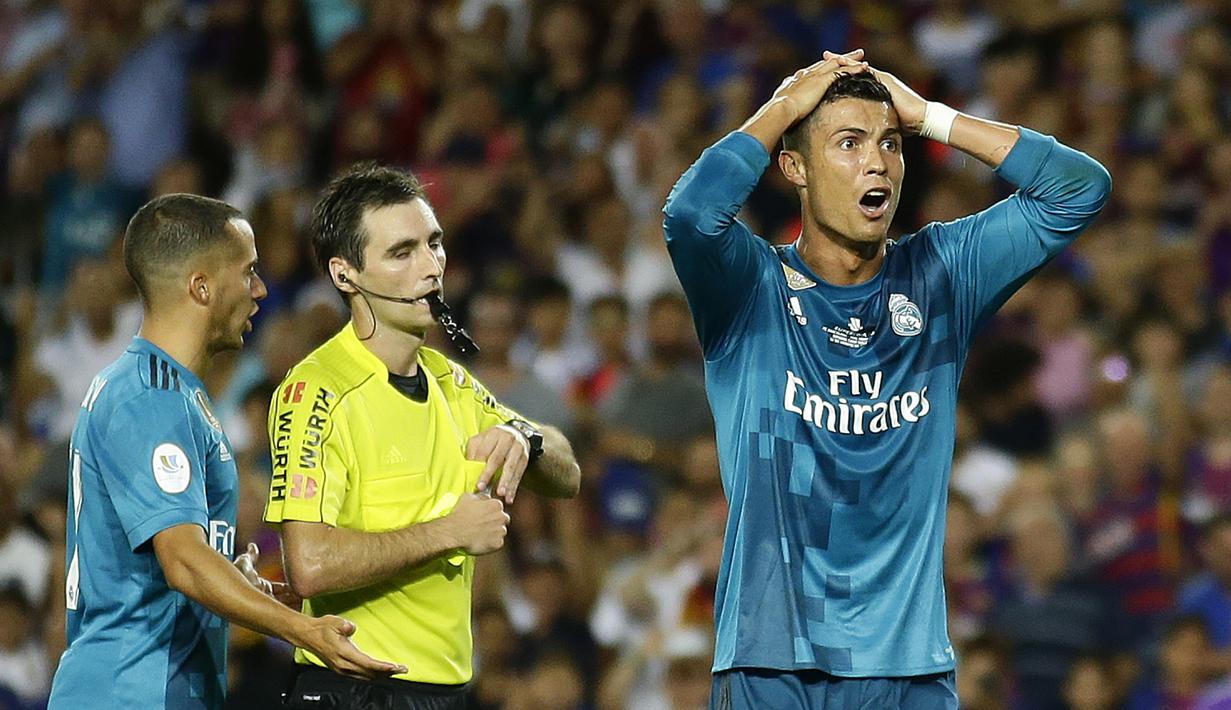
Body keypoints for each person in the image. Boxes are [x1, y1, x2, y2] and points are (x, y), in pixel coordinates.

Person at [662, 48, 1111, 708]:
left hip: (907, 670)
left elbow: (1078, 188)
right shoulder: (747, 288)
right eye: (847, 143)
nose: (876, 163)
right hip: (769, 663)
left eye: (890, 144)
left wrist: (929, 116)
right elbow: (689, 215)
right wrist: (784, 106)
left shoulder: (941, 276)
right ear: (794, 167)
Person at [46, 194, 404, 709]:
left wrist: (235, 579)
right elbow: (184, 563)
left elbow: (170, 561)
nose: (260, 290)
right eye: (249, 272)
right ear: (201, 286)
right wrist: (305, 631)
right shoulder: (149, 398)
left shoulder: (175, 393)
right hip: (132, 690)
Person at [265, 164, 582, 709]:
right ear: (345, 275)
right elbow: (308, 565)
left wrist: (523, 436)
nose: (431, 268)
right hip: (353, 692)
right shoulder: (316, 391)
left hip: (448, 691)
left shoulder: (450, 380)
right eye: (401, 252)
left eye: (434, 244)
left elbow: (567, 476)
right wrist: (448, 532)